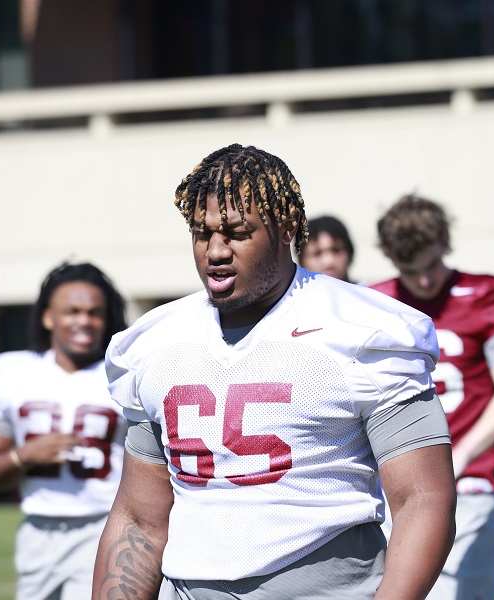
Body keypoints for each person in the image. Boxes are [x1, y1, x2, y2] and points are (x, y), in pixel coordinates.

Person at [93, 144, 456, 600]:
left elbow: (423, 499)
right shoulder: (157, 343)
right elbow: (138, 522)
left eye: (237, 232)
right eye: (202, 234)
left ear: (285, 228)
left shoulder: (362, 328)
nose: (216, 250)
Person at [371, 195, 494, 600]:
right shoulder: (374, 303)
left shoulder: (485, 296)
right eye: (411, 271)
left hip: (468, 480)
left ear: (445, 241)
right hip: (397, 481)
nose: (425, 282)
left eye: (430, 266)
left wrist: (459, 456)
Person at [0, 262, 128, 600]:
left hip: (103, 526)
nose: (84, 320)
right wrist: (24, 455)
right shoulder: (11, 370)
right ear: (48, 317)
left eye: (94, 312)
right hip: (37, 531)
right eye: (72, 311)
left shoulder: (123, 373)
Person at [299, 214, 356, 282]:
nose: (328, 262)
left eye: (336, 250)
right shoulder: (291, 292)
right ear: (301, 260)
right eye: (317, 253)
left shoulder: (367, 291)